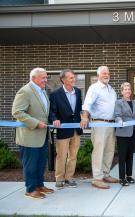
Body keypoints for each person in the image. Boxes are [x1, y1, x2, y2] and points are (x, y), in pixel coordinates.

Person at [12, 67, 54, 199]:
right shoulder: (25, 91)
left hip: (42, 136)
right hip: (30, 136)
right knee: (30, 164)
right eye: (43, 77)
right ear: (33, 78)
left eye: (46, 77)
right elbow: (17, 112)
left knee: (40, 163)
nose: (45, 80)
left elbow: (44, 112)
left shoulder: (42, 92)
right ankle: (30, 189)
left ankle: (39, 185)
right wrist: (35, 123)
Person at [80, 66, 118, 189]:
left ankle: (106, 174)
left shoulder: (111, 89)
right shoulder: (94, 88)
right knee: (99, 151)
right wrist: (85, 116)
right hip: (99, 123)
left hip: (111, 124)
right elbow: (87, 103)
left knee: (109, 150)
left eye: (107, 73)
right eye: (103, 73)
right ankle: (97, 178)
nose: (106, 75)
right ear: (98, 75)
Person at [49, 69, 83, 189]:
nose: (74, 80)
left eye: (74, 77)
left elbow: (79, 110)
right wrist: (54, 119)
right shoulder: (54, 94)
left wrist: (84, 118)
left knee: (73, 155)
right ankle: (59, 178)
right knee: (61, 155)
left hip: (76, 129)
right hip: (63, 129)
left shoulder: (78, 92)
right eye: (71, 78)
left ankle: (69, 178)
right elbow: (52, 112)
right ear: (63, 80)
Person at [114, 82, 135, 186]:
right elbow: (117, 115)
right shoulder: (118, 102)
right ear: (121, 91)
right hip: (122, 133)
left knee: (130, 155)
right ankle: (121, 178)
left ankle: (129, 176)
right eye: (125, 89)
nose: (127, 91)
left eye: (129, 89)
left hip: (133, 133)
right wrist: (119, 120)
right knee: (122, 156)